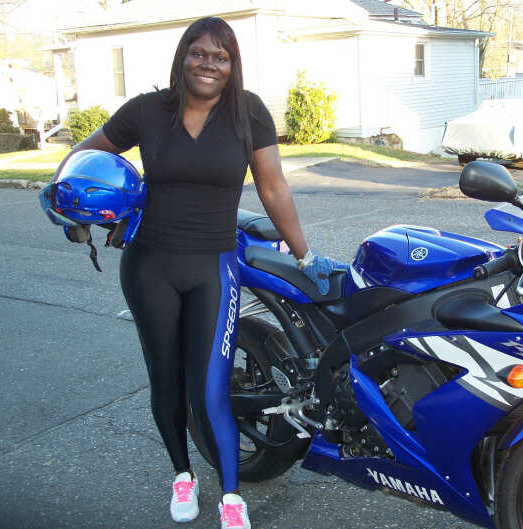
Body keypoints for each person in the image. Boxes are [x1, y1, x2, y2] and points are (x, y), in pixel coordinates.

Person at [50, 16, 336, 528]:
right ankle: (182, 474)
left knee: (211, 387)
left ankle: (231, 496)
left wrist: (303, 254)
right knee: (165, 379)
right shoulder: (147, 110)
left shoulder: (248, 113)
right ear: (183, 56)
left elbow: (272, 187)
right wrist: (67, 203)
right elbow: (83, 156)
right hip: (149, 265)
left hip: (214, 266)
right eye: (199, 53)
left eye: (221, 56)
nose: (209, 64)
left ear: (233, 65)